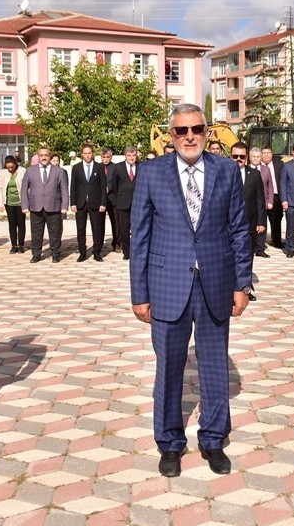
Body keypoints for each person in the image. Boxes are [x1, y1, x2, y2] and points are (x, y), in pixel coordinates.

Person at [130, 103, 252, 478]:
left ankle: (213, 439)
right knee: (168, 367)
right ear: (171, 135)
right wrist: (139, 293)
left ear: (207, 132)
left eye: (196, 129)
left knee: (216, 368)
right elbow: (140, 237)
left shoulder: (227, 170)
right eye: (181, 131)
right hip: (167, 285)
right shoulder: (151, 173)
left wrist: (242, 283)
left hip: (215, 282)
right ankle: (169, 442)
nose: (189, 137)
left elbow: (239, 229)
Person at [21, 147, 68, 263]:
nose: (44, 157)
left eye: (46, 155)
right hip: (36, 207)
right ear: (38, 156)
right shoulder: (30, 170)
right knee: (36, 233)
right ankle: (36, 254)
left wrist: (64, 206)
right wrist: (25, 205)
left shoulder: (59, 171)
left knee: (55, 232)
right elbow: (23, 189)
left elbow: (64, 190)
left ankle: (55, 254)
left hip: (54, 207)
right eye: (41, 155)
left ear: (49, 156)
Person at [70, 143, 107, 262]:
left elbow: (103, 186)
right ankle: (82, 252)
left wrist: (103, 203)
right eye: (85, 153)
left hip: (95, 203)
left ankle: (97, 252)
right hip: (81, 203)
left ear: (93, 154)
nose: (87, 155)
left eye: (89, 153)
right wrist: (73, 203)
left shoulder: (99, 167)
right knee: (81, 229)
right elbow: (73, 187)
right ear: (82, 154)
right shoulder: (76, 168)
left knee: (97, 229)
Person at [232, 142, 266, 262]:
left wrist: (261, 222)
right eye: (235, 156)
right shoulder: (223, 173)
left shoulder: (255, 174)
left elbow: (260, 199)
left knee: (248, 255)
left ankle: (246, 280)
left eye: (241, 156)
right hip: (228, 224)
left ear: (246, 157)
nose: (238, 159)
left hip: (249, 223)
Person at [108, 146, 138, 260]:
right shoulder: (118, 167)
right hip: (123, 203)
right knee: (124, 229)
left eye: (134, 155)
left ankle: (136, 251)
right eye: (129, 155)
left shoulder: (141, 166)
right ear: (125, 155)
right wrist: (119, 197)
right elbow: (114, 185)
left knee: (137, 229)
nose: (131, 158)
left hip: (137, 203)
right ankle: (127, 252)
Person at [0, 155, 26, 253]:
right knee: (12, 224)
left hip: (20, 202)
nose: (10, 169)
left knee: (21, 224)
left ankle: (21, 244)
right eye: (8, 168)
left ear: (16, 164)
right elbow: (0, 188)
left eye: (12, 167)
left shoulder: (22, 171)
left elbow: (26, 187)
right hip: (9, 202)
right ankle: (14, 245)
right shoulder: (3, 173)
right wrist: (0, 203)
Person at [260, 148, 284, 249]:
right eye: (264, 153)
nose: (266, 155)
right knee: (261, 220)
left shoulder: (279, 164)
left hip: (276, 195)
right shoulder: (256, 165)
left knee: (276, 220)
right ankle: (260, 242)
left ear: (272, 154)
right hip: (261, 197)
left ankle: (277, 241)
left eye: (268, 153)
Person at [251, 148, 273, 258]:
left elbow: (270, 186)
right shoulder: (246, 169)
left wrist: (270, 201)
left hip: (263, 202)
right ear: (250, 157)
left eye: (258, 156)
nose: (256, 158)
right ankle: (250, 246)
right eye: (254, 156)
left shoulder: (266, 170)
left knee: (262, 225)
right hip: (250, 201)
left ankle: (260, 249)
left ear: (261, 158)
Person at [100, 148, 120, 253]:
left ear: (111, 157)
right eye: (104, 157)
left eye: (108, 157)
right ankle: (99, 243)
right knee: (99, 223)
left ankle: (116, 243)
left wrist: (109, 187)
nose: (106, 159)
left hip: (113, 198)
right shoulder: (97, 167)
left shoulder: (115, 167)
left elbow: (117, 181)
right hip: (100, 200)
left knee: (116, 223)